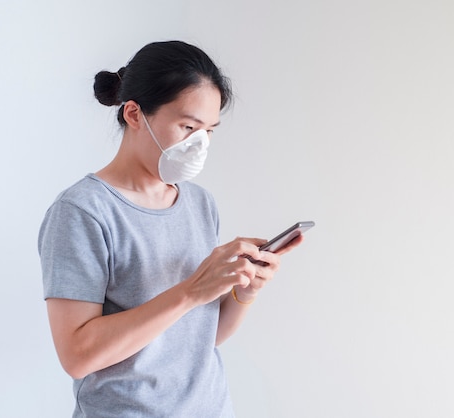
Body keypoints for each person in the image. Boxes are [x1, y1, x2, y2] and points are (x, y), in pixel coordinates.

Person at [38, 40, 303, 417]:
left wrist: (244, 291)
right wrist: (191, 291)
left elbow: (200, 340)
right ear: (133, 114)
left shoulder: (200, 204)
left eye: (209, 130)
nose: (200, 144)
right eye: (188, 126)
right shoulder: (82, 212)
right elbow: (77, 357)